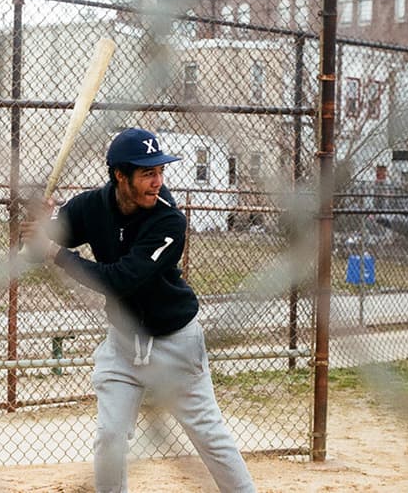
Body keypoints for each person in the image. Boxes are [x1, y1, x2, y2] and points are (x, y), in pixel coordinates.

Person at [22, 128, 256, 493]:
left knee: (208, 434)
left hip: (175, 342)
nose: (157, 182)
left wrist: (55, 254)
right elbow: (51, 234)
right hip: (123, 344)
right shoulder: (92, 205)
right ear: (120, 176)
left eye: (160, 172)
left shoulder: (168, 220)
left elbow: (118, 280)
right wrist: (42, 222)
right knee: (110, 436)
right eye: (147, 173)